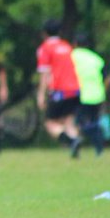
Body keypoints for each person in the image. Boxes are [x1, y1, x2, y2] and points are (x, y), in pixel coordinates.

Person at [36, 19, 81, 155]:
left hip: (59, 90)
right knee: (69, 121)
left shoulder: (45, 48)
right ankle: (75, 145)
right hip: (75, 89)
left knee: (50, 123)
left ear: (44, 33)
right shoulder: (66, 46)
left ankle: (71, 141)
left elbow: (45, 73)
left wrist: (41, 95)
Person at [70, 33, 110, 158]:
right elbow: (108, 77)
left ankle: (77, 143)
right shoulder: (96, 58)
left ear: (75, 44)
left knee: (78, 123)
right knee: (93, 120)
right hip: (97, 95)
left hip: (79, 94)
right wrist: (103, 90)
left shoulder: (72, 56)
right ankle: (99, 150)